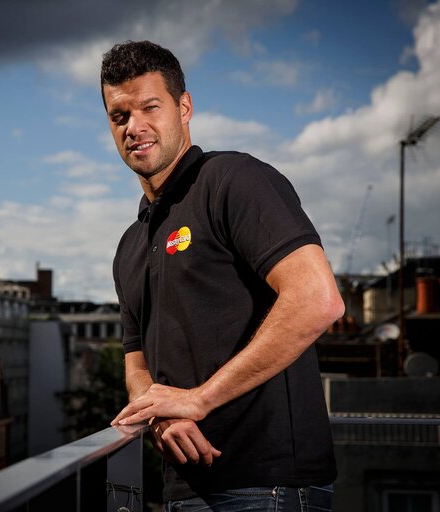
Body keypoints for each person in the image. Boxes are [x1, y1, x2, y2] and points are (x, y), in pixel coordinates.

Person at [102, 40, 345, 511]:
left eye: (150, 107)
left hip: (267, 485)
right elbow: (137, 367)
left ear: (184, 107)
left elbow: (318, 299)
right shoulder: (130, 245)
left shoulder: (233, 180)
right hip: (182, 491)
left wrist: (200, 399)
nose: (135, 127)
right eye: (119, 116)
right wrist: (159, 416)